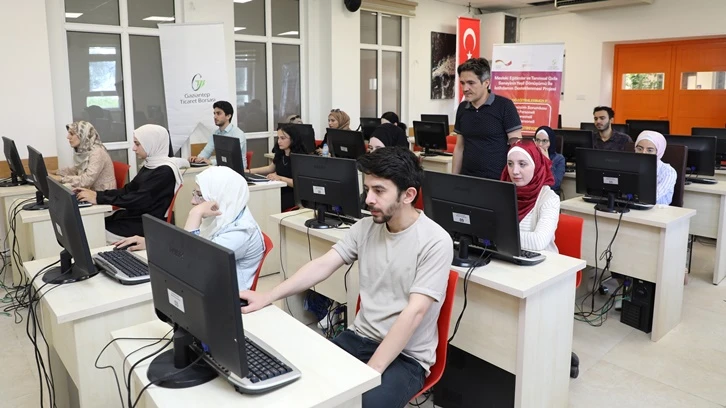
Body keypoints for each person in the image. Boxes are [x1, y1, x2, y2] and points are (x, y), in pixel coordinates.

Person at [240, 147, 453, 408]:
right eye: (367, 189)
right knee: (298, 385)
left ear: (408, 195)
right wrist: (267, 296)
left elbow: (414, 313)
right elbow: (323, 265)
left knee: (357, 403)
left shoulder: (435, 241)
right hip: (358, 338)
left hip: (406, 357)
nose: (368, 199)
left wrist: (369, 374)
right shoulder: (365, 227)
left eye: (379, 191)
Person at [113, 167, 265, 291]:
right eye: (195, 193)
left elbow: (187, 263)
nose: (193, 201)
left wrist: (195, 214)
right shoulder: (224, 218)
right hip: (205, 287)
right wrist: (152, 242)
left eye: (200, 195)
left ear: (220, 197)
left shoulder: (239, 233)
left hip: (223, 300)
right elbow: (191, 249)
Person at [76, 125, 182, 241]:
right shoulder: (151, 165)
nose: (133, 148)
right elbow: (127, 190)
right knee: (92, 224)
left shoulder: (164, 171)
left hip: (144, 224)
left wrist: (98, 199)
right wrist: (97, 195)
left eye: (137, 144)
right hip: (134, 216)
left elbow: (137, 200)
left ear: (151, 144)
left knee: (91, 231)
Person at [453, 58, 523, 180]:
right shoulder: (462, 108)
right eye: (462, 83)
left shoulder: (504, 106)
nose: (465, 88)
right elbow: (459, 147)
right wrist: (454, 179)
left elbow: (516, 147)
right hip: (467, 179)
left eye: (471, 83)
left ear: (486, 83)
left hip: (497, 180)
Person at [501, 140, 560, 253]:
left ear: (535, 165)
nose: (515, 171)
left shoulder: (549, 199)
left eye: (522, 164)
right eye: (510, 164)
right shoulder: (503, 193)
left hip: (543, 261)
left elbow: (539, 241)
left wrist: (496, 234)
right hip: (506, 256)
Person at [248, 125, 308, 211]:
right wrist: (249, 171)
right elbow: (270, 168)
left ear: (293, 139)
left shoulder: (301, 158)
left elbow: (300, 184)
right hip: (278, 188)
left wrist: (280, 178)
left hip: (292, 194)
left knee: (266, 202)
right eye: (278, 138)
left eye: (283, 138)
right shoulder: (280, 153)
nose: (279, 141)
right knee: (258, 197)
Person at [56, 121, 116, 191]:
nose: (68, 137)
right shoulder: (84, 151)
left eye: (71, 134)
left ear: (83, 135)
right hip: (91, 191)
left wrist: (61, 179)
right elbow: (75, 170)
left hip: (102, 194)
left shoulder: (97, 153)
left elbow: (86, 181)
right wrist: (54, 172)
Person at [189, 101, 247, 169]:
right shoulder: (216, 133)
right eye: (214, 113)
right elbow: (207, 151)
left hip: (237, 170)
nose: (215, 117)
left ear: (228, 116)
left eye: (218, 113)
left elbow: (231, 157)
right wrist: (197, 159)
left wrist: (210, 161)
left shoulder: (238, 134)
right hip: (222, 168)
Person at [634, 130, 677, 205]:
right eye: (640, 149)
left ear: (659, 152)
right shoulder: (630, 166)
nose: (643, 153)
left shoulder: (668, 172)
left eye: (650, 150)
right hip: (631, 208)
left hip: (659, 210)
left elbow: (651, 197)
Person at [534, 126, 565, 193]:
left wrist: (547, 162)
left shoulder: (559, 159)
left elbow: (555, 185)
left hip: (548, 194)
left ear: (551, 142)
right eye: (538, 140)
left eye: (544, 141)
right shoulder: (530, 157)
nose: (540, 144)